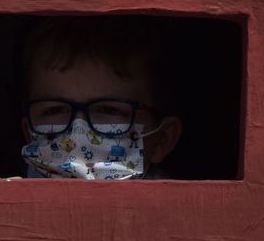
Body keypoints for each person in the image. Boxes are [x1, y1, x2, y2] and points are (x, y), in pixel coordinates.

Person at [18, 17, 182, 180]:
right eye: (54, 110)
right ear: (28, 134)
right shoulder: (10, 197)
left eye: (109, 110)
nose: (78, 131)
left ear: (162, 140)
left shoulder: (181, 205)